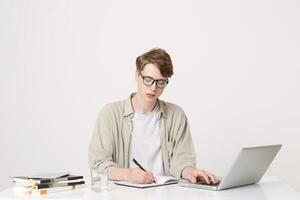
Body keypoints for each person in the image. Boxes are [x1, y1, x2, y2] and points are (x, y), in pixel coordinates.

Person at [88, 48, 219, 185]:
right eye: (148, 79)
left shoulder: (176, 115)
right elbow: (98, 163)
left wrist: (190, 171)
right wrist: (127, 174)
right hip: (124, 194)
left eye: (161, 82)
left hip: (166, 193)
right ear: (137, 75)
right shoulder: (110, 113)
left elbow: (182, 161)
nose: (153, 88)